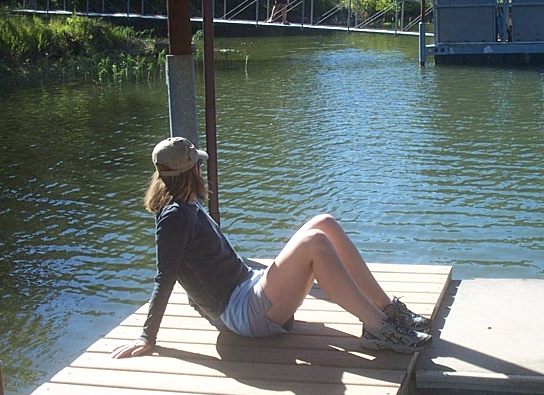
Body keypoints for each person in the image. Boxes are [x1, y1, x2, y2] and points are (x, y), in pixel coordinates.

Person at [111, 136, 432, 359]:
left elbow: (200, 269)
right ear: (192, 170)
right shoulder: (174, 217)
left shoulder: (185, 203)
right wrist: (147, 336)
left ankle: (386, 310)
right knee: (315, 243)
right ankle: (379, 330)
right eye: (198, 165)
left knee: (324, 223)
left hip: (246, 288)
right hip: (241, 312)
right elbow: (164, 276)